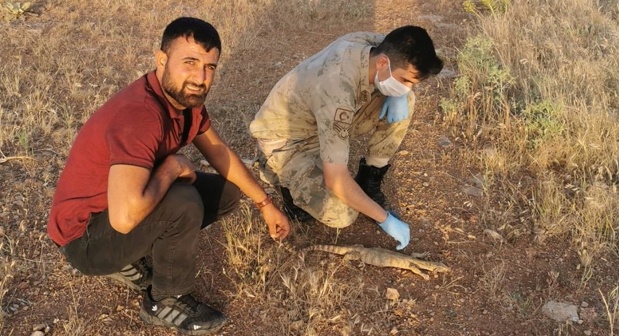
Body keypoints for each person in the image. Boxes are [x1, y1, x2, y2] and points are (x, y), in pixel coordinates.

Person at [47, 17, 290, 335]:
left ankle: (134, 255)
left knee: (227, 191)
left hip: (113, 210)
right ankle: (165, 300)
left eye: (210, 67)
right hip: (85, 240)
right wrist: (173, 167)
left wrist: (264, 203)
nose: (200, 78)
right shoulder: (142, 114)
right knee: (184, 202)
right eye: (189, 63)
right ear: (161, 60)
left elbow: (218, 151)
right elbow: (123, 219)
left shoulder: (184, 100)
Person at [249, 26, 442, 250]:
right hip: (287, 141)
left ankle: (368, 180)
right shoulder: (337, 91)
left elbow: (397, 49)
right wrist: (384, 219)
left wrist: (402, 93)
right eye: (405, 80)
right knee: (343, 214)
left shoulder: (373, 45)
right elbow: (336, 178)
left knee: (406, 101)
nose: (407, 87)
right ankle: (282, 179)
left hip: (316, 121)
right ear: (382, 63)